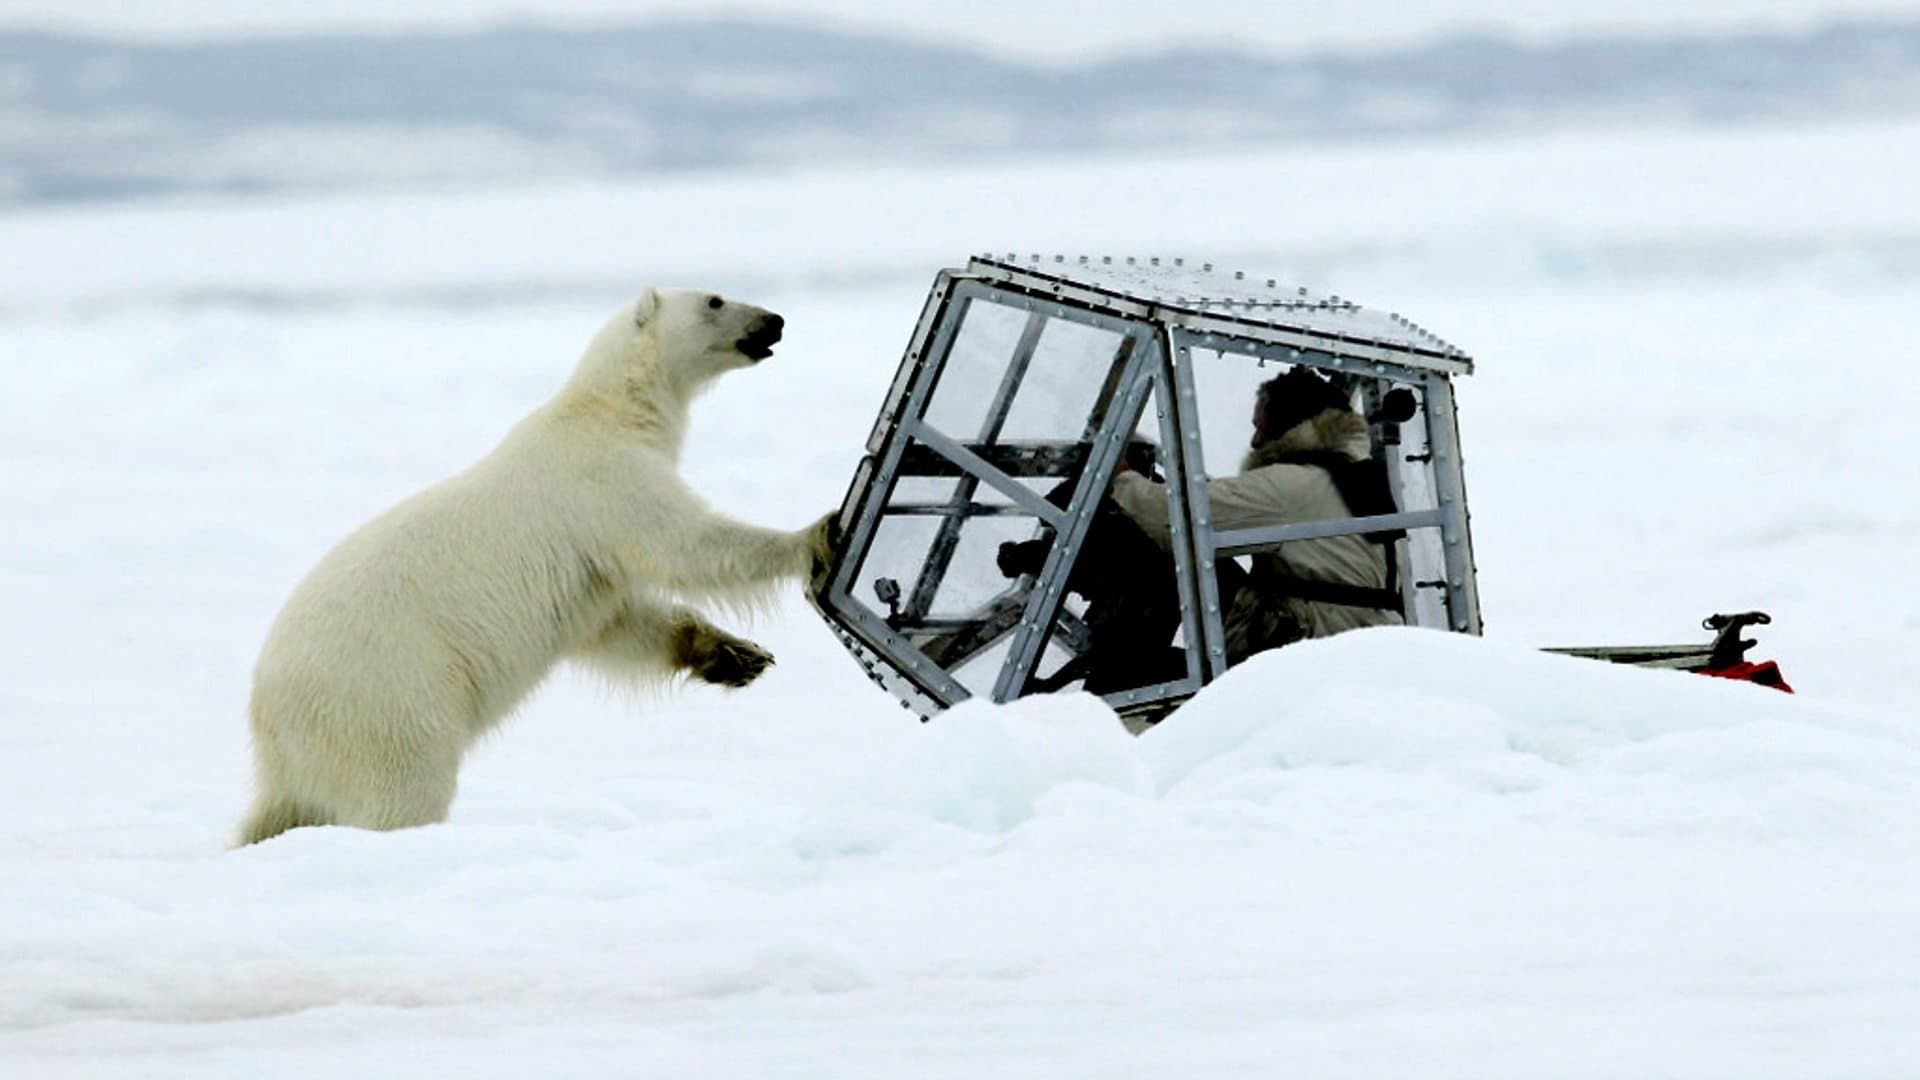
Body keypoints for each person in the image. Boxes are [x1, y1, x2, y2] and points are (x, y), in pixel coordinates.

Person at [1110, 366, 1404, 665]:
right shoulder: (1346, 474)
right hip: (1344, 638)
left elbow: (1174, 519)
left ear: (1287, 425)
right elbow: (1233, 508)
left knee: (1125, 667)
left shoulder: (1295, 486)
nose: (1254, 441)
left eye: (1260, 426)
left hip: (1310, 652)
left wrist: (1121, 478)